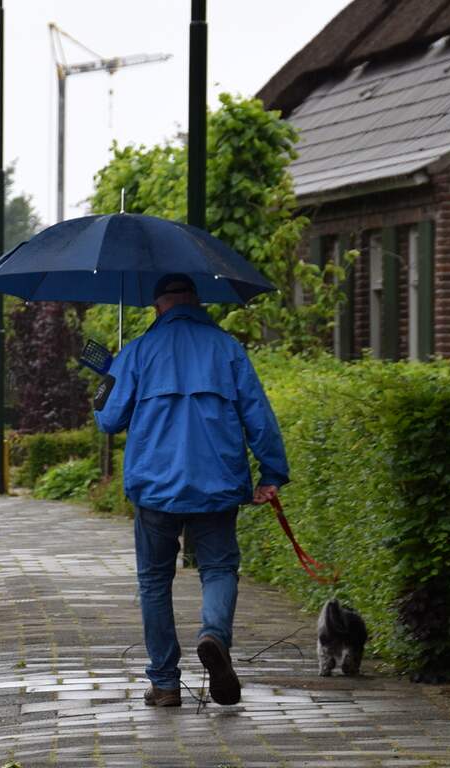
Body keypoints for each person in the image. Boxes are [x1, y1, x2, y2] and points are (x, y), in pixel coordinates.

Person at [94, 273, 289, 707]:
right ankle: (213, 635)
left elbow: (108, 421)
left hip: (155, 488)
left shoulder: (138, 352)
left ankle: (164, 684)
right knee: (219, 569)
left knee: (154, 581)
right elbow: (258, 415)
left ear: (158, 306)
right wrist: (271, 473)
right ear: (197, 302)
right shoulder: (227, 348)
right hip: (216, 484)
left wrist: (107, 376)